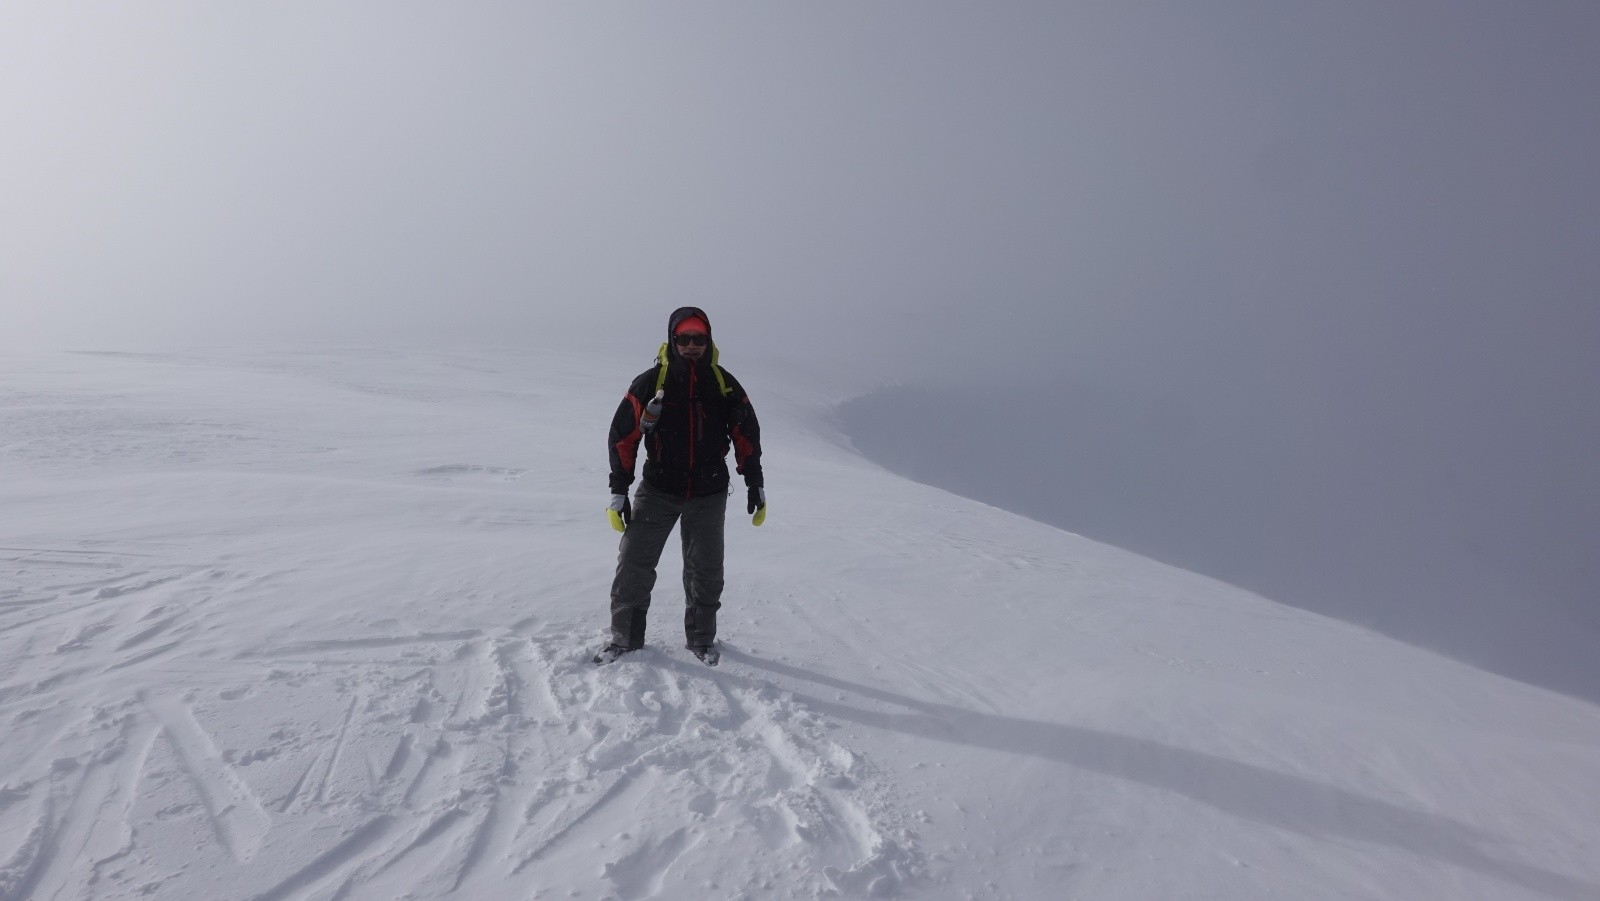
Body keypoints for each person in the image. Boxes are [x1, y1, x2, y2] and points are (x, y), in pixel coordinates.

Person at [596, 307, 765, 666]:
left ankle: (701, 640)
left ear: (708, 341)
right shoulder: (650, 383)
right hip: (658, 489)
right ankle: (625, 640)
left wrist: (755, 483)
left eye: (698, 339)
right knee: (634, 562)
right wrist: (618, 490)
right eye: (684, 339)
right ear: (672, 340)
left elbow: (746, 435)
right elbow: (623, 438)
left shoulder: (724, 384)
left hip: (709, 493)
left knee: (705, 569)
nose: (691, 346)